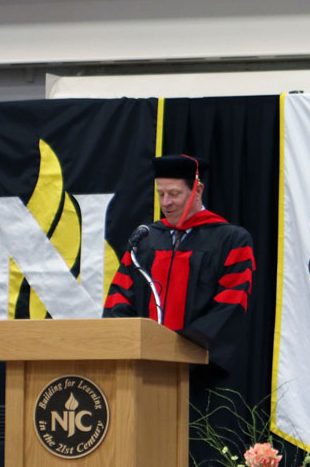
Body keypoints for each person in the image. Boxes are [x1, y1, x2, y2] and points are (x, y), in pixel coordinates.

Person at [105, 154, 255, 375]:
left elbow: (231, 302)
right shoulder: (145, 240)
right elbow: (119, 296)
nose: (165, 203)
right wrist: (128, 342)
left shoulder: (231, 241)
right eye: (161, 194)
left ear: (198, 190)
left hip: (200, 371)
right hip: (141, 368)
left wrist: (179, 348)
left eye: (174, 194)